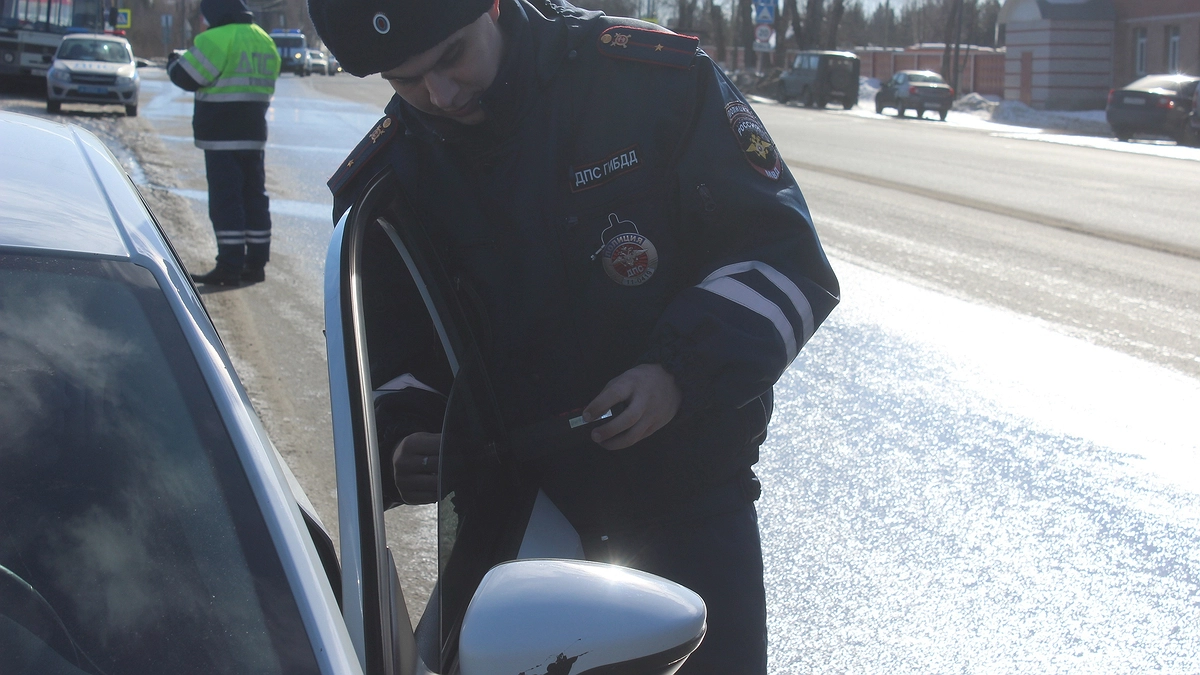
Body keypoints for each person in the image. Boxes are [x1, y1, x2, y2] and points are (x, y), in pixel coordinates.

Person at [309, 0, 840, 671]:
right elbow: (396, 346)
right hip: (511, 522)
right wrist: (407, 433)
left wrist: (674, 371)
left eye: (452, 57)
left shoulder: (649, 81)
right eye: (404, 81)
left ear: (494, 7)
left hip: (686, 504)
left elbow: (782, 258)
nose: (439, 95)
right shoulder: (391, 175)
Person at [168, 0, 280, 286]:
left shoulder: (214, 39)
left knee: (226, 199)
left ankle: (229, 265)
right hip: (253, 133)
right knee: (254, 197)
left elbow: (187, 76)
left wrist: (173, 61)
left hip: (221, 134)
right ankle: (255, 264)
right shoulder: (264, 39)